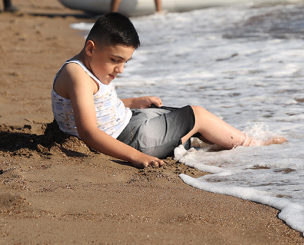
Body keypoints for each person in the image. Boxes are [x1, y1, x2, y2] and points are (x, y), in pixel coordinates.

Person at [51, 12, 286, 168]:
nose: (120, 69)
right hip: (128, 141)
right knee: (197, 115)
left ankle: (195, 139)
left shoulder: (86, 69)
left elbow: (97, 106)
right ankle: (250, 145)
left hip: (126, 125)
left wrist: (133, 102)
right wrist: (136, 157)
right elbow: (89, 131)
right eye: (116, 59)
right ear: (91, 48)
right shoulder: (78, 76)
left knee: (169, 112)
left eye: (126, 62)